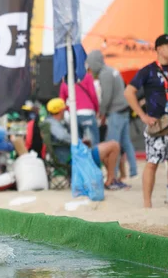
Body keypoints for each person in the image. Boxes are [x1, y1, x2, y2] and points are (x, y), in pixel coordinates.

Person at [124, 34, 168, 208]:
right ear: (159, 49)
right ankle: (147, 203)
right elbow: (128, 92)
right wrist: (142, 115)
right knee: (152, 163)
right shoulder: (147, 71)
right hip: (156, 125)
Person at [43, 98, 124, 190]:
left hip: (71, 155)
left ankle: (111, 180)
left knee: (109, 150)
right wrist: (79, 141)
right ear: (61, 111)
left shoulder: (50, 122)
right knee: (114, 145)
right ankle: (110, 181)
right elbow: (62, 136)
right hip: (75, 157)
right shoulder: (53, 124)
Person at [86, 50, 137, 179]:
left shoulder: (105, 74)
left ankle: (112, 175)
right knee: (126, 141)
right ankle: (133, 170)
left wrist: (102, 113)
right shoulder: (112, 70)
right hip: (124, 110)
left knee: (112, 144)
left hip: (116, 112)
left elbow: (106, 96)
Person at [59, 72, 100, 145]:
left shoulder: (65, 80)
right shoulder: (87, 76)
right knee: (93, 144)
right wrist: (97, 110)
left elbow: (61, 102)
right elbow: (93, 95)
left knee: (77, 144)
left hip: (73, 115)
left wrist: (68, 109)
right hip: (88, 112)